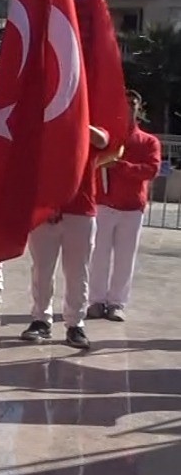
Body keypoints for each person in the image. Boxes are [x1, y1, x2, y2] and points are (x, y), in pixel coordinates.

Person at [22, 125, 110, 350]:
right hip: (45, 210)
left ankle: (75, 324)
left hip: (80, 211)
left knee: (77, 271)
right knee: (42, 269)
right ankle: (40, 319)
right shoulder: (43, 132)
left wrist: (76, 118)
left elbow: (103, 141)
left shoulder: (89, 129)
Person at [90, 93, 163, 322]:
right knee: (98, 255)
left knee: (125, 257)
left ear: (138, 108)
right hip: (104, 204)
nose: (129, 107)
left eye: (133, 104)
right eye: (125, 103)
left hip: (132, 208)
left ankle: (117, 303)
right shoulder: (107, 138)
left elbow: (151, 170)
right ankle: (96, 300)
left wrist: (121, 167)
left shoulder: (149, 141)